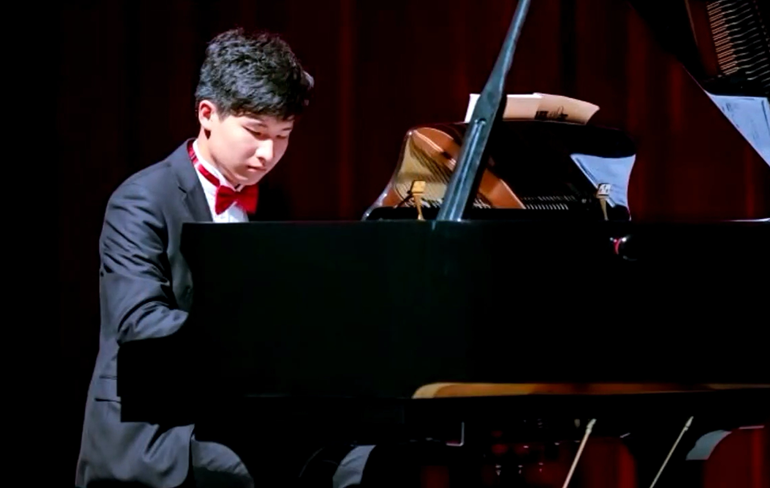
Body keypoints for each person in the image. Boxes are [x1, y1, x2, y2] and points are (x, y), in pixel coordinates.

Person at [74, 28, 373, 488]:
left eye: (283, 135)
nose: (268, 153)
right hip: (156, 425)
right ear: (207, 114)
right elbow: (138, 322)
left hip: (239, 414)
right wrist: (253, 338)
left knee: (362, 464)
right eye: (255, 132)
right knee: (262, 471)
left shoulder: (271, 203)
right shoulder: (141, 200)